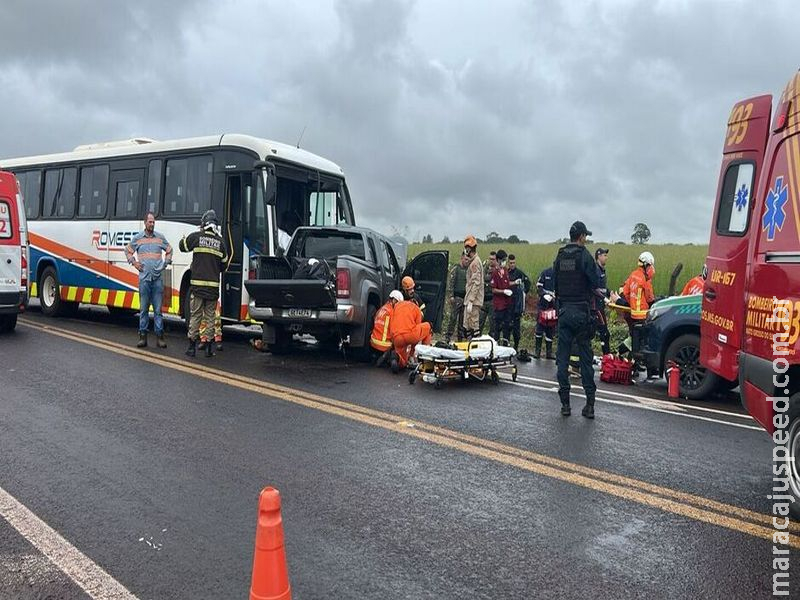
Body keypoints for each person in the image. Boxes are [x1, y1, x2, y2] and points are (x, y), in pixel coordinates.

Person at [553, 221, 601, 418]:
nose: (586, 239)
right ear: (581, 236)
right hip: (581, 313)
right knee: (585, 360)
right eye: (585, 236)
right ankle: (589, 405)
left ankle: (565, 404)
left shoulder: (560, 255)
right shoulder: (585, 256)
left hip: (564, 312)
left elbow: (556, 285)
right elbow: (595, 281)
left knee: (562, 360)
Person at [179, 209, 228, 358]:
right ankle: (208, 349)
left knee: (195, 316)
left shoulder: (197, 237)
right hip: (212, 289)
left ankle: (191, 348)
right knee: (210, 318)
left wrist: (183, 239)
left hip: (197, 288)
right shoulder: (221, 243)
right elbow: (224, 265)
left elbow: (183, 247)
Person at [125, 211, 173, 348]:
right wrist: (134, 262)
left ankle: (160, 337)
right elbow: (127, 250)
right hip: (144, 280)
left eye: (153, 222)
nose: (152, 224)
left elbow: (169, 250)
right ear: (145, 223)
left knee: (158, 310)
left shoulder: (160, 238)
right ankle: (142, 337)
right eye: (150, 222)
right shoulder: (138, 238)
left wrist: (166, 262)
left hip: (157, 280)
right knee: (144, 309)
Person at [621, 251, 656, 357]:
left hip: (632, 315)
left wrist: (632, 303)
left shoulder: (633, 275)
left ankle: (627, 356)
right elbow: (650, 298)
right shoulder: (645, 279)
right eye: (650, 266)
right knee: (642, 341)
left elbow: (625, 292)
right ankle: (637, 360)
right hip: (643, 315)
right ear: (646, 265)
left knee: (633, 338)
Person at [389, 293, 433, 373]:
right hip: (410, 335)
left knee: (403, 360)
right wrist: (412, 353)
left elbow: (392, 322)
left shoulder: (397, 306)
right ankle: (426, 360)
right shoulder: (416, 309)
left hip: (397, 337)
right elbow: (417, 328)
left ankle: (397, 358)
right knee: (428, 326)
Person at [371, 290, 404, 364]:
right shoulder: (392, 312)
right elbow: (394, 330)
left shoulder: (382, 309)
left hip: (373, 342)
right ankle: (388, 356)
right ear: (394, 300)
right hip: (384, 345)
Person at [507, 254, 531, 351]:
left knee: (516, 328)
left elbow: (527, 282)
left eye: (513, 263)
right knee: (507, 327)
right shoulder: (505, 272)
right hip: (507, 303)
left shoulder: (519, 273)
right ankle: (506, 346)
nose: (512, 265)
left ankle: (516, 347)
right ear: (508, 263)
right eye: (510, 263)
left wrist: (524, 292)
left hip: (516, 304)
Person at [592, 247, 613, 355]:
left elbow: (603, 288)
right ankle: (606, 357)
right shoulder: (595, 270)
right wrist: (604, 298)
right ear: (599, 256)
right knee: (604, 333)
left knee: (602, 333)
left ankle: (606, 356)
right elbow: (593, 288)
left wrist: (612, 294)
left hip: (600, 306)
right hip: (595, 307)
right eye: (604, 255)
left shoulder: (602, 271)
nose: (606, 258)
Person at [491, 249, 514, 342]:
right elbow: (493, 289)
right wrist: (503, 291)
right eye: (503, 260)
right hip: (499, 304)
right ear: (499, 260)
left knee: (507, 326)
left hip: (507, 303)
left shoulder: (505, 270)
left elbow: (507, 283)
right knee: (498, 326)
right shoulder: (495, 273)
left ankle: (506, 343)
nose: (505, 262)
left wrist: (515, 283)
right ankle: (496, 343)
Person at [462, 235, 484, 338]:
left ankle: (474, 347)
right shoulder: (473, 262)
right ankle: (469, 344)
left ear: (469, 248)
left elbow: (476, 282)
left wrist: (471, 300)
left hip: (474, 300)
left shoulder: (475, 263)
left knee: (473, 324)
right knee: (467, 324)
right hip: (471, 298)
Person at [445, 253, 469, 343]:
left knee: (462, 321)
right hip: (457, 298)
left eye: (468, 260)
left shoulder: (468, 270)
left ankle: (460, 338)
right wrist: (451, 296)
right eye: (466, 259)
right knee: (453, 318)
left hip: (465, 299)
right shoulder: (456, 269)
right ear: (462, 258)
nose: (467, 262)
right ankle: (448, 336)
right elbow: (451, 283)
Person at [534, 266, 557, 359]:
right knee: (540, 327)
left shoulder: (561, 275)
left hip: (554, 306)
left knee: (550, 329)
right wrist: (544, 294)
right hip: (543, 305)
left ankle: (549, 353)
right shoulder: (546, 272)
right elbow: (539, 286)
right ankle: (537, 351)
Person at [480, 251, 497, 335]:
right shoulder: (484, 268)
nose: (491, 261)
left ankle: (492, 341)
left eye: (493, 259)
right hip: (483, 299)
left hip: (492, 300)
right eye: (490, 259)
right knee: (479, 322)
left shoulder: (498, 271)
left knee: (493, 324)